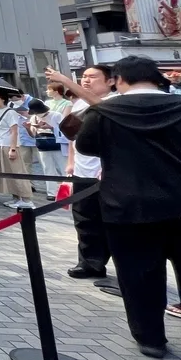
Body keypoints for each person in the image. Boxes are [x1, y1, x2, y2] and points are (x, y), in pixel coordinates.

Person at [75, 55, 181, 359]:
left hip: (126, 204)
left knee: (138, 275)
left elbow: (86, 147)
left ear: (119, 79)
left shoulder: (105, 111)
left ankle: (151, 339)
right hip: (179, 201)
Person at [48, 65, 116, 280]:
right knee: (84, 219)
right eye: (83, 77)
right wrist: (70, 163)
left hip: (105, 174)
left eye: (92, 77)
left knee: (108, 221)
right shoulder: (78, 103)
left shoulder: (114, 102)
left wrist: (65, 81)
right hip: (82, 171)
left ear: (111, 81)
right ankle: (89, 263)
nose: (86, 81)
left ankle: (109, 262)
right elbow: (73, 138)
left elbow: (98, 106)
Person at [0, 92, 33, 209]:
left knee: (17, 172)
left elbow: (14, 131)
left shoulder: (10, 112)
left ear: (2, 98)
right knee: (8, 173)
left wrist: (13, 149)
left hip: (9, 146)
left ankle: (26, 199)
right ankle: (16, 198)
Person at [27, 99, 68, 200]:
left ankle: (67, 192)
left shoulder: (56, 115)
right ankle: (51, 193)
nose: (37, 114)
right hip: (43, 146)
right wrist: (28, 128)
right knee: (47, 169)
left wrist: (51, 127)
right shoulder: (34, 118)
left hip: (57, 145)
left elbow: (66, 130)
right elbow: (33, 135)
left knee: (63, 168)